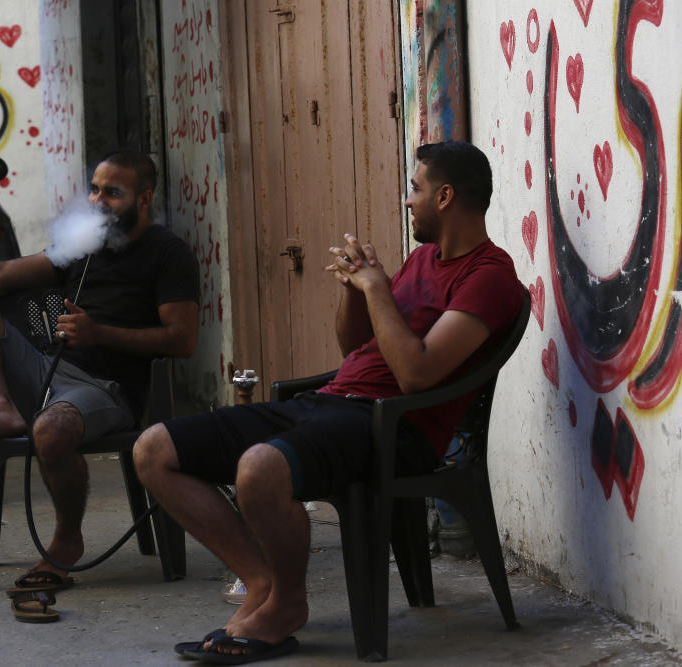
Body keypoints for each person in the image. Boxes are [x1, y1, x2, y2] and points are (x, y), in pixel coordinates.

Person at [133, 141, 526, 662]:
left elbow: (415, 374)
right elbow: (354, 350)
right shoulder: (421, 261)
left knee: (259, 469)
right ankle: (260, 584)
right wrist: (357, 291)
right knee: (154, 450)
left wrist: (378, 289)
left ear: (446, 196)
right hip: (331, 402)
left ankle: (287, 606)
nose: (408, 200)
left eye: (416, 188)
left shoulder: (490, 276)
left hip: (393, 428)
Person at [0, 150, 199, 595]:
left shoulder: (168, 254)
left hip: (108, 389)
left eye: (112, 193)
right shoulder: (83, 245)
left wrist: (99, 334)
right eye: (93, 189)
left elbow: (180, 340)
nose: (96, 201)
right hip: (49, 371)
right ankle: (1, 403)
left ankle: (66, 541)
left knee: (52, 432)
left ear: (144, 198)